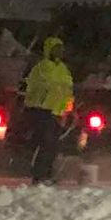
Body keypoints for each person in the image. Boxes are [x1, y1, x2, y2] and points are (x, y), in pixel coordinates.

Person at [20, 34, 74, 186]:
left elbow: (67, 91)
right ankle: (39, 175)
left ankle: (47, 174)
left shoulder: (63, 69)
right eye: (56, 49)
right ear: (48, 50)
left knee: (53, 145)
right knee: (46, 143)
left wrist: (67, 110)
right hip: (42, 110)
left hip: (57, 112)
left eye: (61, 49)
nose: (59, 52)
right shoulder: (41, 68)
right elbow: (35, 88)